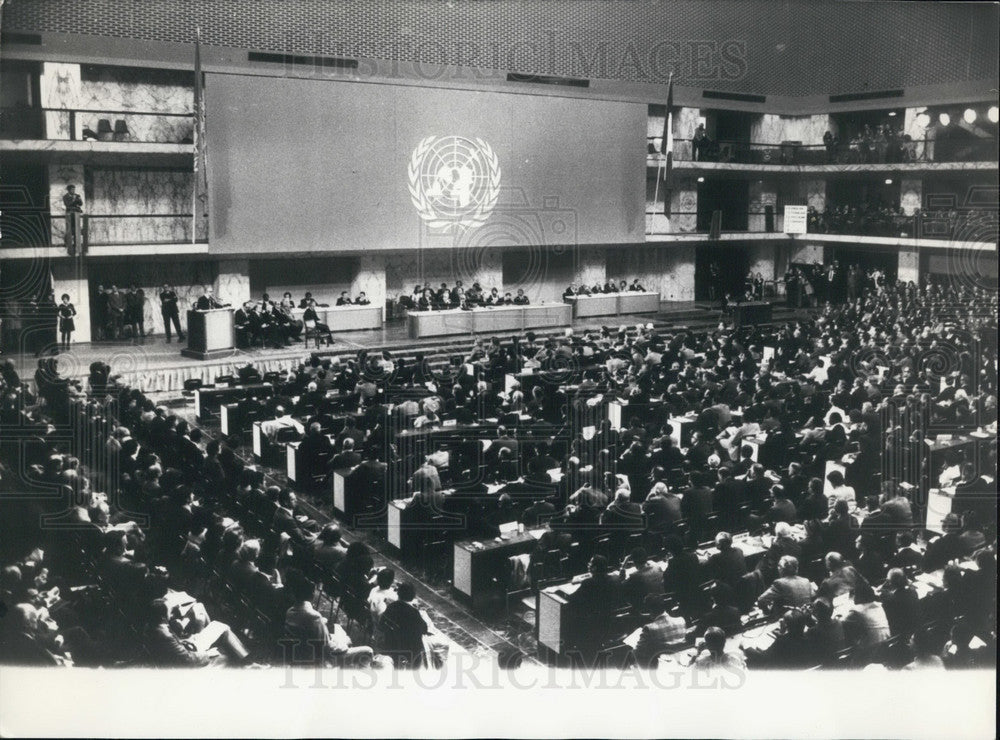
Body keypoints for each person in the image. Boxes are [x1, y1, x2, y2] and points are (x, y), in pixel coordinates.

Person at [378, 581, 429, 667]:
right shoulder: (413, 612)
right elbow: (424, 629)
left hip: (390, 645)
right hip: (407, 649)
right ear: (413, 596)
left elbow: (381, 625)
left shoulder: (391, 606)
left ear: (398, 594)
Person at [632, 601, 688, 667]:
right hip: (682, 660)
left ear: (651, 611)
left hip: (663, 665)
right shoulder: (681, 620)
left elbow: (638, 651)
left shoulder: (649, 628)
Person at [62, 184, 83, 255]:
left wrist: (78, 200)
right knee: (69, 229)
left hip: (76, 214)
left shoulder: (77, 195)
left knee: (77, 229)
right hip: (69, 215)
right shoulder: (65, 197)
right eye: (72, 189)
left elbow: (81, 204)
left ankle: (77, 246)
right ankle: (69, 246)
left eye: (74, 189)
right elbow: (67, 204)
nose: (74, 191)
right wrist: (74, 200)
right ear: (69, 190)